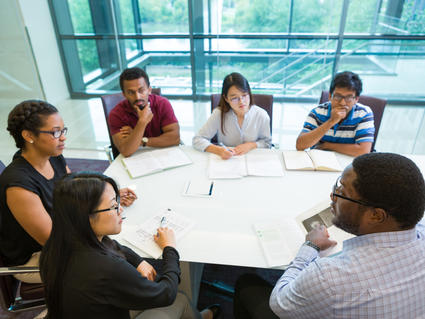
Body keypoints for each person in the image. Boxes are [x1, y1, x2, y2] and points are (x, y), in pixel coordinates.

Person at [234, 152, 425, 318]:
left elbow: (279, 303)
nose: (332, 197)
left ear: (376, 215)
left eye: (341, 192)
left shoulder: (330, 277)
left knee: (246, 283)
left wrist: (310, 247)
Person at [40, 172, 221, 319]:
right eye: (113, 206)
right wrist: (170, 249)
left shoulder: (58, 244)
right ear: (86, 217)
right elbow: (166, 294)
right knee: (179, 299)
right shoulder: (107, 268)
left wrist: (138, 261)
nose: (121, 209)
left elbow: (111, 244)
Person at [0, 100, 137, 283]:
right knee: (112, 266)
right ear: (28, 136)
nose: (63, 137)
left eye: (63, 130)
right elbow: (55, 242)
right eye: (56, 132)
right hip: (36, 257)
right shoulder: (18, 184)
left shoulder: (53, 157)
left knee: (116, 238)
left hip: (65, 233)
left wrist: (111, 197)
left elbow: (76, 192)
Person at [192, 72, 271, 160]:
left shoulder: (261, 115)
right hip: (227, 161)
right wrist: (219, 150)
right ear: (226, 99)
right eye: (234, 98)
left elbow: (267, 143)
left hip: (253, 161)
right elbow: (197, 140)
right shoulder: (218, 114)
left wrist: (251, 145)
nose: (241, 102)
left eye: (244, 95)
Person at [296, 71, 374, 157]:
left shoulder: (364, 114)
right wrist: (331, 121)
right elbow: (300, 145)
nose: (342, 103)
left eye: (349, 98)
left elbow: (363, 151)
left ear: (356, 99)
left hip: (348, 165)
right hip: (319, 161)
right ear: (330, 96)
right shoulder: (317, 112)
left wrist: (327, 145)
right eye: (338, 96)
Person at [108, 67, 180, 157]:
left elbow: (175, 138)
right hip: (134, 158)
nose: (137, 97)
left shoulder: (162, 103)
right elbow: (126, 151)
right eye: (131, 92)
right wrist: (142, 122)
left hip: (163, 154)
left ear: (149, 90)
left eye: (141, 90)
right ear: (124, 94)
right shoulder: (116, 114)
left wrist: (140, 140)